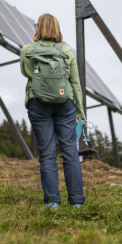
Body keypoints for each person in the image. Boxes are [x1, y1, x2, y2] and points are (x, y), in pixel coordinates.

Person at [20, 13, 85, 209]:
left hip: (38, 102)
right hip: (66, 103)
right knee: (70, 152)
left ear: (38, 28)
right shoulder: (66, 50)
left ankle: (52, 202)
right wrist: (80, 113)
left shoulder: (28, 49)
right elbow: (75, 82)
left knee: (47, 154)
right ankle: (76, 202)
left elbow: (26, 72)